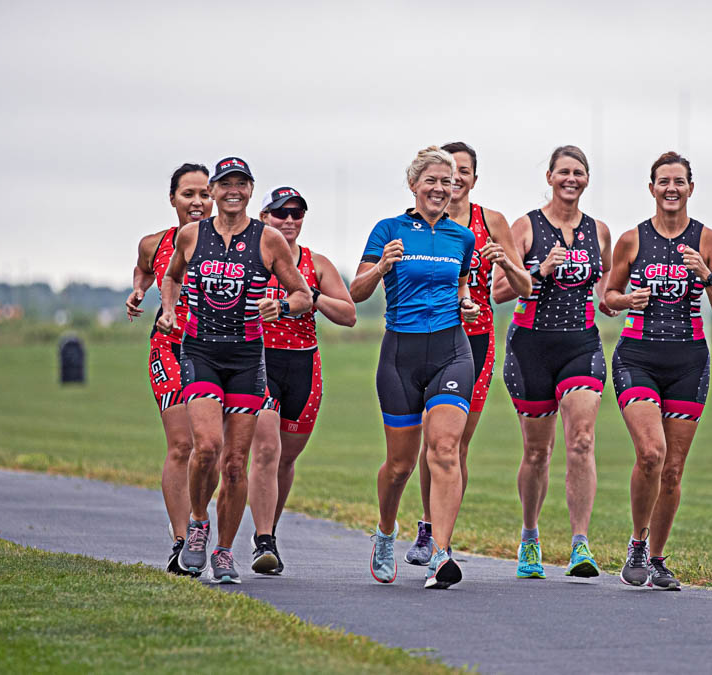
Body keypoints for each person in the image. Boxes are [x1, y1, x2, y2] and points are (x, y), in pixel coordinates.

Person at [157, 157, 312, 584]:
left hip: (247, 358)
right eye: (224, 184)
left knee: (235, 463)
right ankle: (197, 522)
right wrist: (169, 310)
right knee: (206, 447)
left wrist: (278, 306)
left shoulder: (269, 240)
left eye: (241, 184)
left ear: (249, 190)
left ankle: (224, 552)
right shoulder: (192, 236)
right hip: (201, 352)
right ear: (213, 192)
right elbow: (169, 276)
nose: (233, 191)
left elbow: (302, 294)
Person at [350, 145, 480, 589]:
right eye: (432, 181)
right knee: (400, 465)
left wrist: (466, 302)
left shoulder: (461, 237)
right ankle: (386, 532)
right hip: (400, 356)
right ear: (414, 185)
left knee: (445, 449)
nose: (441, 188)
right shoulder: (388, 229)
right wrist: (382, 264)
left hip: (451, 349)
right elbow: (356, 292)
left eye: (448, 181)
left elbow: (461, 284)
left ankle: (440, 553)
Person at [602, 151, 712, 590]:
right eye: (663, 181)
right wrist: (625, 301)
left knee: (673, 470)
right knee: (651, 453)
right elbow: (607, 297)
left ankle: (656, 559)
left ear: (690, 188)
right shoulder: (631, 240)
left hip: (689, 361)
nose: (671, 188)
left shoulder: (709, 241)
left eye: (679, 181)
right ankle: (636, 544)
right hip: (637, 356)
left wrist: (707, 277)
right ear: (652, 187)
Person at [404, 142, 532, 565]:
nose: (454, 179)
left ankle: (443, 538)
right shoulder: (416, 223)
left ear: (474, 179)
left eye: (463, 172)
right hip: (426, 338)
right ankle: (426, 527)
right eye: (447, 171)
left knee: (456, 445)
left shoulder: (490, 221)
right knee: (432, 440)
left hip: (475, 340)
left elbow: (526, 287)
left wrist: (506, 263)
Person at [494, 145, 616, 580]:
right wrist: (540, 269)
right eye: (563, 171)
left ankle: (581, 544)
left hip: (580, 345)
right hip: (531, 349)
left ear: (587, 179)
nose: (571, 178)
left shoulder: (599, 231)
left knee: (581, 440)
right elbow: (500, 291)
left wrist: (620, 302)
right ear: (549, 177)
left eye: (579, 172)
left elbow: (606, 294)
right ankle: (530, 539)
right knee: (538, 451)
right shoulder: (525, 226)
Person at [247, 186, 356, 574]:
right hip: (259, 364)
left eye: (297, 214)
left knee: (286, 458)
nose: (289, 220)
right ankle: (263, 541)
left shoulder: (317, 263)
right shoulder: (253, 257)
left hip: (304, 367)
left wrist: (312, 297)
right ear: (264, 218)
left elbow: (349, 314)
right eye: (280, 213)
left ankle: (269, 529)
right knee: (266, 450)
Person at [124, 162, 210, 577]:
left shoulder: (238, 242)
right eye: (188, 194)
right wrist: (139, 290)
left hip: (220, 351)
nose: (197, 202)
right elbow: (144, 267)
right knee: (182, 445)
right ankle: (182, 541)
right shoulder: (154, 243)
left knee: (214, 450)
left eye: (204, 194)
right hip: (170, 347)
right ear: (173, 198)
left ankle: (203, 526)